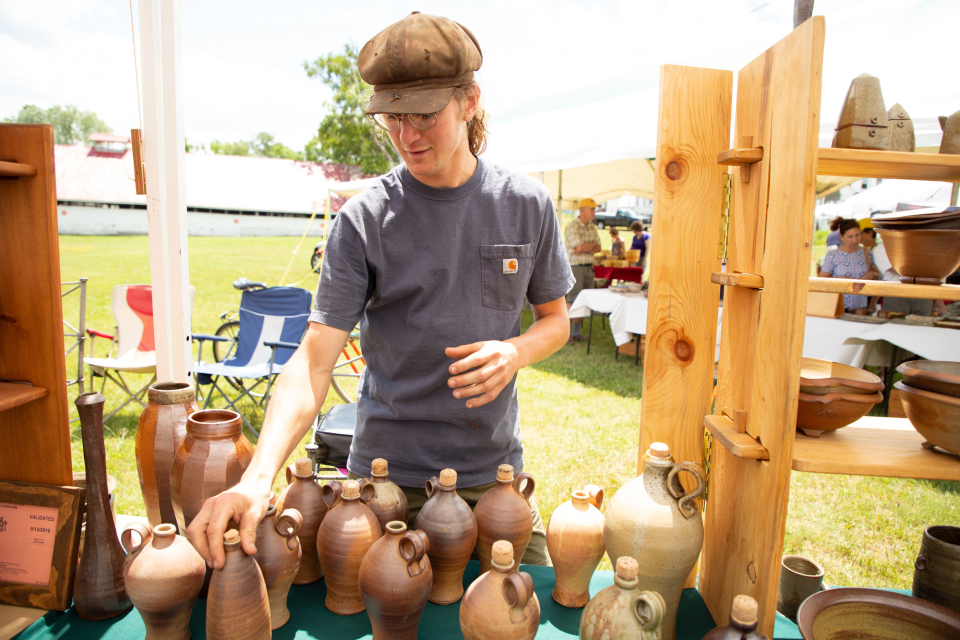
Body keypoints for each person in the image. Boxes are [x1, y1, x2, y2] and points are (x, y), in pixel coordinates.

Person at [186, 12, 574, 571]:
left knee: (521, 609)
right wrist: (256, 477)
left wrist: (515, 351)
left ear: (469, 101)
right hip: (385, 485)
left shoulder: (526, 204)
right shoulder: (364, 219)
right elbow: (315, 361)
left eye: (424, 114)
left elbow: (555, 320)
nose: (406, 135)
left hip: (491, 479)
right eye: (391, 117)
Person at [818, 218, 880, 312]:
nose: (855, 240)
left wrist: (872, 274)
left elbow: (878, 274)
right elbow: (821, 282)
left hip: (861, 308)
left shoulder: (866, 253)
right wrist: (844, 281)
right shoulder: (833, 256)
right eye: (850, 236)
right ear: (842, 237)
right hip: (837, 307)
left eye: (857, 235)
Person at [564, 198, 601, 342]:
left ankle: (576, 332)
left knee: (583, 299)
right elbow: (578, 248)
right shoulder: (572, 226)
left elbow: (599, 247)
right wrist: (591, 245)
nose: (594, 211)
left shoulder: (592, 226)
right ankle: (565, 334)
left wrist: (589, 247)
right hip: (576, 267)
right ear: (583, 210)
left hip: (588, 267)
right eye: (592, 209)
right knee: (572, 299)